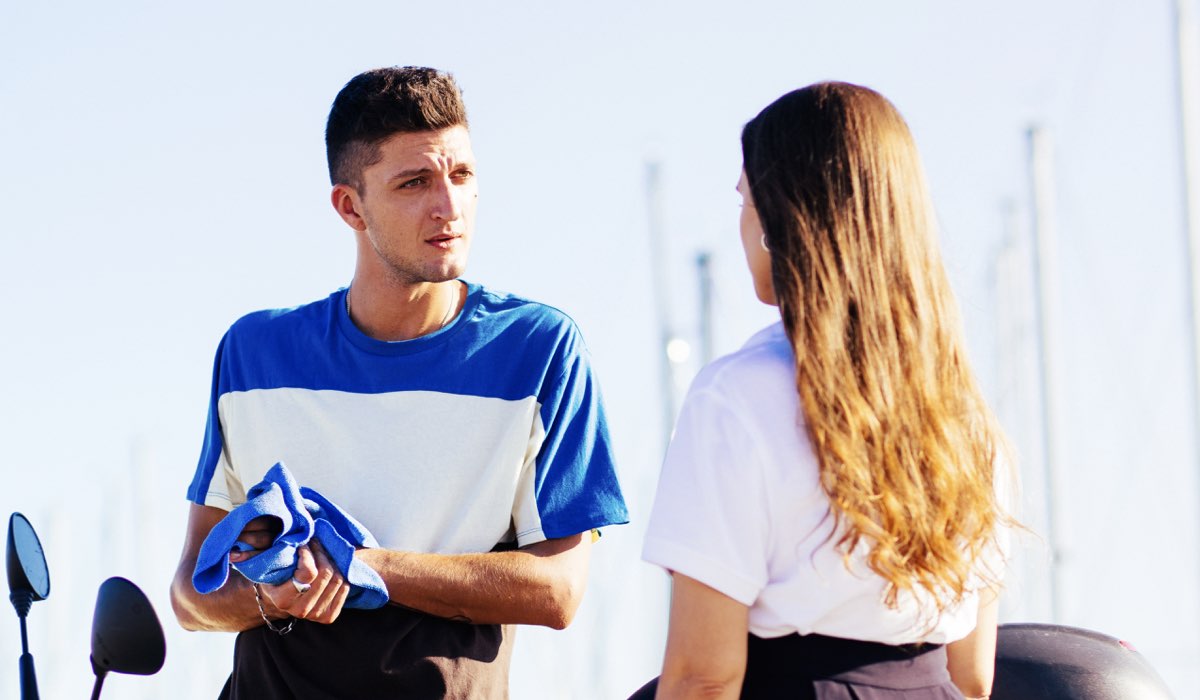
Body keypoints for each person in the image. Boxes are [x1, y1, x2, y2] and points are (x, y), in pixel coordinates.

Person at [168, 66, 628, 699]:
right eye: (415, 182)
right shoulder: (253, 354)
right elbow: (192, 594)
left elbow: (558, 590)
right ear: (350, 206)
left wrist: (369, 567)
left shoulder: (539, 349)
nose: (449, 207)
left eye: (461, 176)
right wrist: (271, 593)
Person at [637, 82, 1013, 700]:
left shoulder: (737, 399)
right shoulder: (964, 419)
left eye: (746, 201)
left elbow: (705, 677)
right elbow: (972, 677)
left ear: (780, 221)